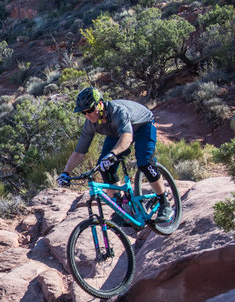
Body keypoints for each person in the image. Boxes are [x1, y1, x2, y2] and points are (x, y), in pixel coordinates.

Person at [57, 87, 174, 223]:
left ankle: (164, 203)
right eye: (84, 112)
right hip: (117, 133)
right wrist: (66, 173)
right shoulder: (90, 124)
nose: (88, 115)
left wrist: (112, 154)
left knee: (144, 163)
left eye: (90, 110)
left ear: (100, 104)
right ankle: (121, 208)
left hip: (142, 126)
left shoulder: (118, 111)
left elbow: (127, 137)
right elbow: (79, 152)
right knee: (104, 166)